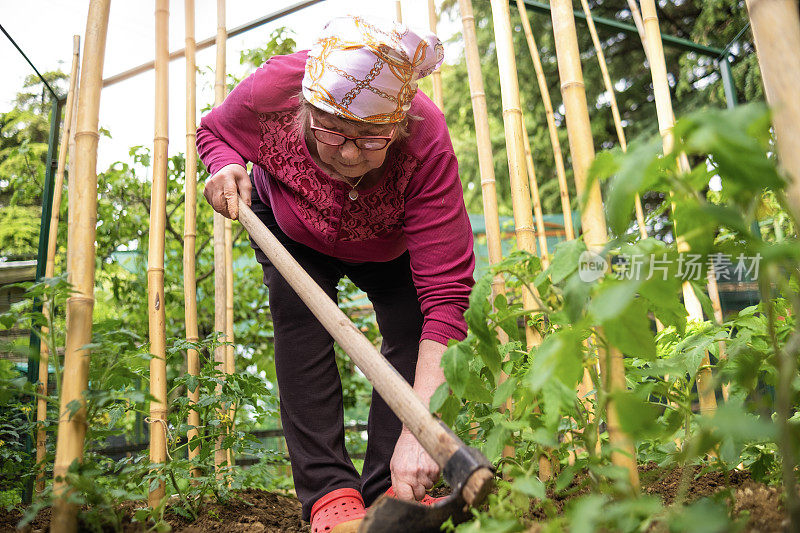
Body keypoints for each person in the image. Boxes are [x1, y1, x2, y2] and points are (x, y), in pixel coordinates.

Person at [197, 16, 475, 533]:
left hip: (387, 244)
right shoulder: (272, 90)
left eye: (372, 141)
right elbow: (214, 131)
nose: (350, 154)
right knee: (301, 332)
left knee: (414, 326)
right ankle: (330, 494)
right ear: (303, 109)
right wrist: (222, 164)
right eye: (333, 134)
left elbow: (447, 298)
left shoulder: (425, 140)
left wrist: (422, 430)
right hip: (292, 225)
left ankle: (393, 486)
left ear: (398, 128)